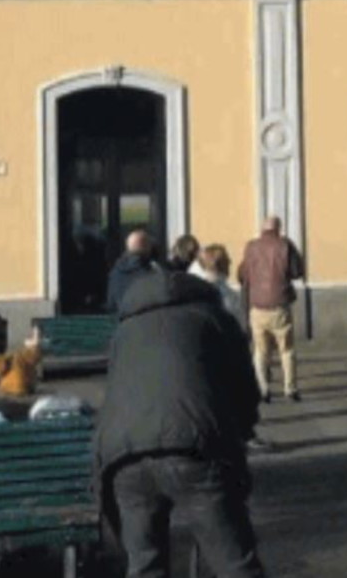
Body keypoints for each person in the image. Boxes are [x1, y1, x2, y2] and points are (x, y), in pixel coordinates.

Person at [95, 271, 265, 578]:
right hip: (194, 448)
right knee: (234, 563)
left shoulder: (124, 330)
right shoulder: (214, 319)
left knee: (145, 566)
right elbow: (245, 389)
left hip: (124, 456)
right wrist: (241, 432)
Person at [239, 217, 305, 403]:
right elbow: (297, 271)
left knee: (260, 350)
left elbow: (242, 274)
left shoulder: (251, 247)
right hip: (279, 304)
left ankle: (263, 389)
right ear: (279, 229)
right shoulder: (285, 246)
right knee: (287, 349)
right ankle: (290, 388)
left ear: (262, 228)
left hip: (257, 306)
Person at [191, 244, 246, 328]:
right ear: (220, 264)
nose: (230, 262)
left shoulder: (195, 290)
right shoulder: (229, 296)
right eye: (227, 259)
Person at [106, 230, 159, 314]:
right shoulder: (151, 273)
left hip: (122, 321)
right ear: (147, 247)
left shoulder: (116, 272)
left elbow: (111, 303)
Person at [0, 326, 42, 397]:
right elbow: (34, 358)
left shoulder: (12, 357)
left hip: (12, 388)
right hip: (24, 388)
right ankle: (34, 342)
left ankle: (34, 342)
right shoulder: (19, 356)